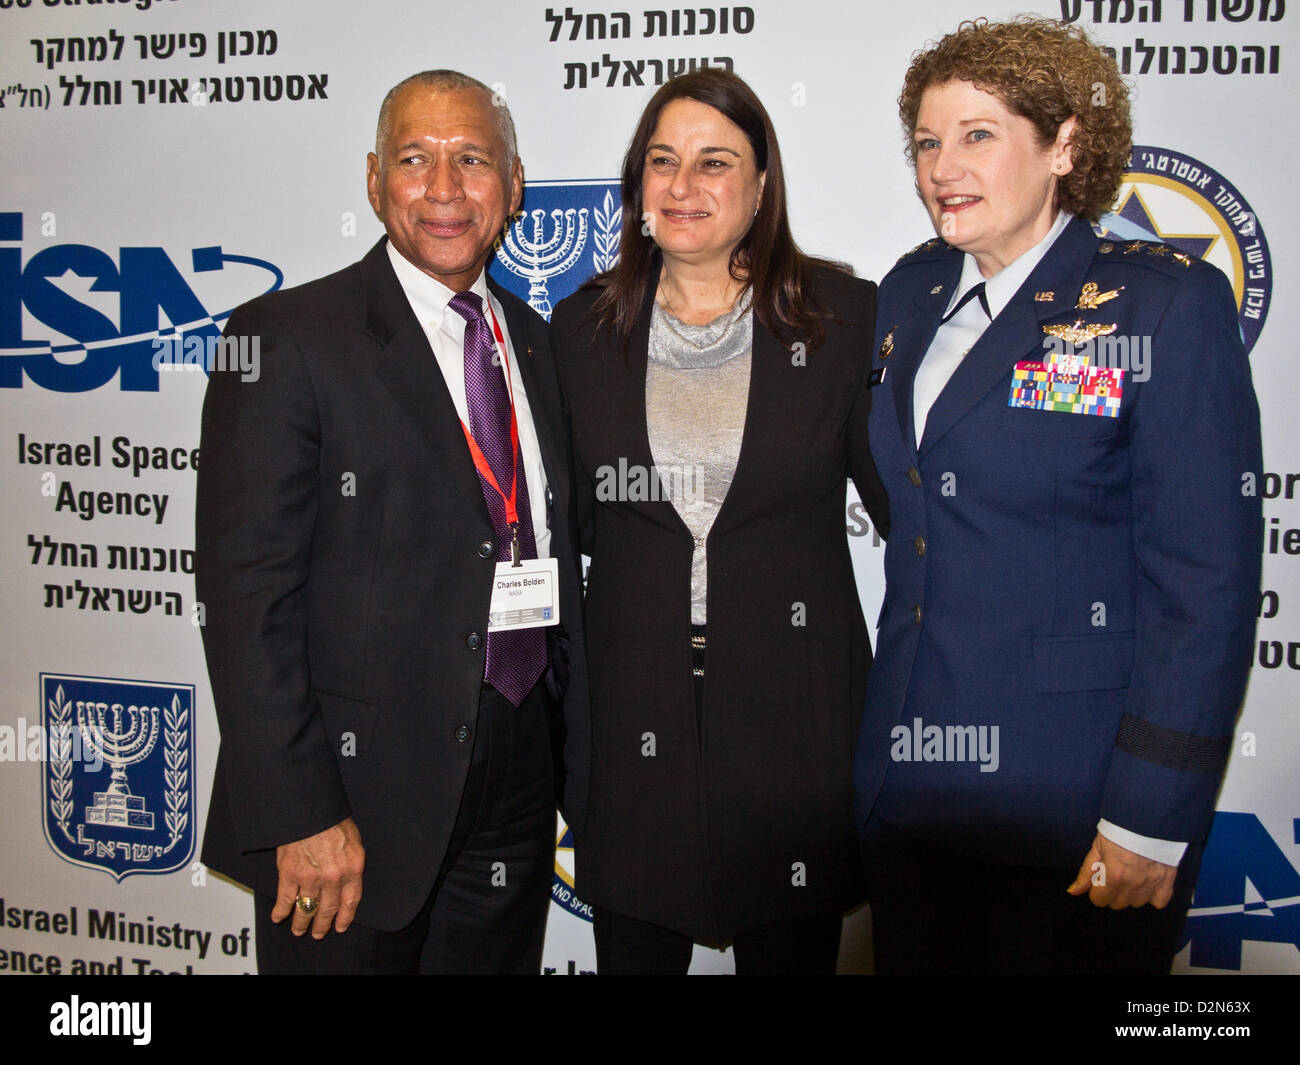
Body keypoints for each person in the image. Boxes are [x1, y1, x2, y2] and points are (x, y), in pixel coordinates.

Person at [853, 16, 1263, 974]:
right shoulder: (907, 295)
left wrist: (1151, 816)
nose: (941, 166)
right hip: (912, 791)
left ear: (1065, 146)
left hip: (1078, 807)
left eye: (979, 135)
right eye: (926, 140)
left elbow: (1203, 584)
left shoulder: (1162, 304)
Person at [195, 69, 589, 974]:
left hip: (518, 778)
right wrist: (299, 808)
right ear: (374, 180)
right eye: (415, 159)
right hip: (352, 800)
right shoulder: (287, 338)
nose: (444, 189)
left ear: (515, 185)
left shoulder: (538, 343)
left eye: (472, 160)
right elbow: (245, 594)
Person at [550, 69, 889, 975]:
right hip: (633, 729)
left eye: (714, 162)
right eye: (662, 161)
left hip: (795, 732)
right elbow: (559, 526)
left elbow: (910, 516)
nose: (682, 186)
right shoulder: (579, 329)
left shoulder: (844, 319)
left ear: (762, 185)